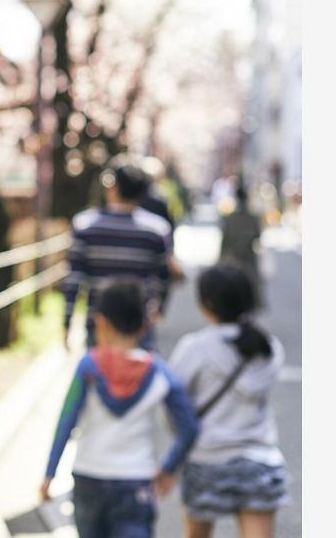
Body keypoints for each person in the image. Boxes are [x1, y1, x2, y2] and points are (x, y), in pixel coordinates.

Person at [40, 276, 201, 538]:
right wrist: (168, 466)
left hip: (88, 476)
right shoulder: (160, 373)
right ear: (145, 325)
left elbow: (66, 419)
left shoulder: (88, 366)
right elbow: (189, 428)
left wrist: (50, 473)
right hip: (136, 479)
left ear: (101, 323)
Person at [168, 262, 289, 538]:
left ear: (207, 304)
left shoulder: (194, 348)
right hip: (260, 461)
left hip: (206, 460)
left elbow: (175, 407)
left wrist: (182, 441)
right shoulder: (267, 347)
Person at [62, 155, 174, 351]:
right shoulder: (156, 230)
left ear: (112, 187)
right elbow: (164, 277)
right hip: (139, 324)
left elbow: (74, 279)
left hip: (98, 324)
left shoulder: (85, 226)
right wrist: (160, 309)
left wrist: (67, 323)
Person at [217, 184, 263, 299]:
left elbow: (224, 240)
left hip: (232, 258)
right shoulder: (252, 218)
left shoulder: (229, 218)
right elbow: (257, 236)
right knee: (250, 289)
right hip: (248, 258)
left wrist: (220, 260)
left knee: (234, 290)